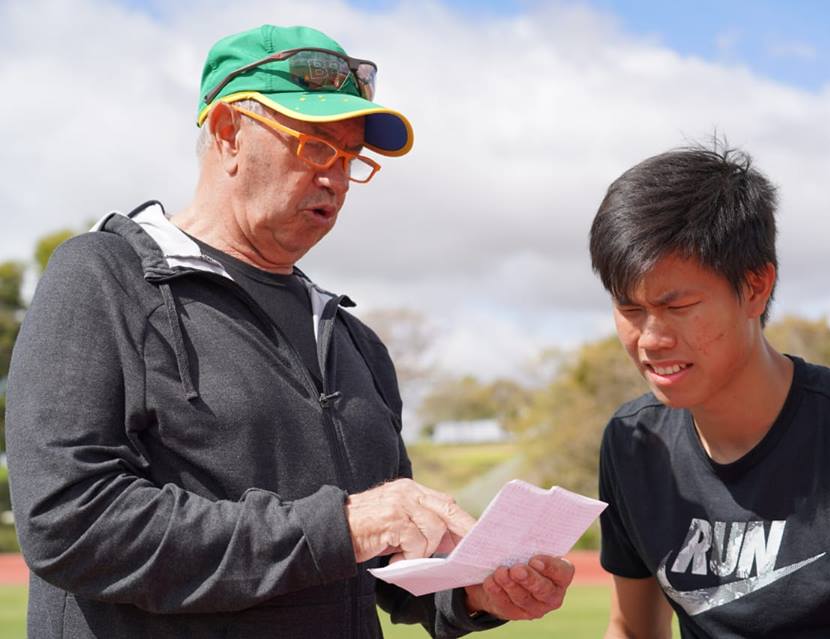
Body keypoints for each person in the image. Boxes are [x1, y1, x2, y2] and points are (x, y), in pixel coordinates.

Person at [5, 24, 572, 639]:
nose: (335, 177)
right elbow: (70, 524)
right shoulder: (102, 277)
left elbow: (381, 571)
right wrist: (345, 526)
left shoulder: (355, 342)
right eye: (317, 145)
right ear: (227, 134)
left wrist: (472, 590)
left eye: (352, 158)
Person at [589, 143, 830, 638]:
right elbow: (633, 630)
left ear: (757, 287)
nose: (651, 340)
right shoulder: (634, 443)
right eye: (630, 310)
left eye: (677, 307)